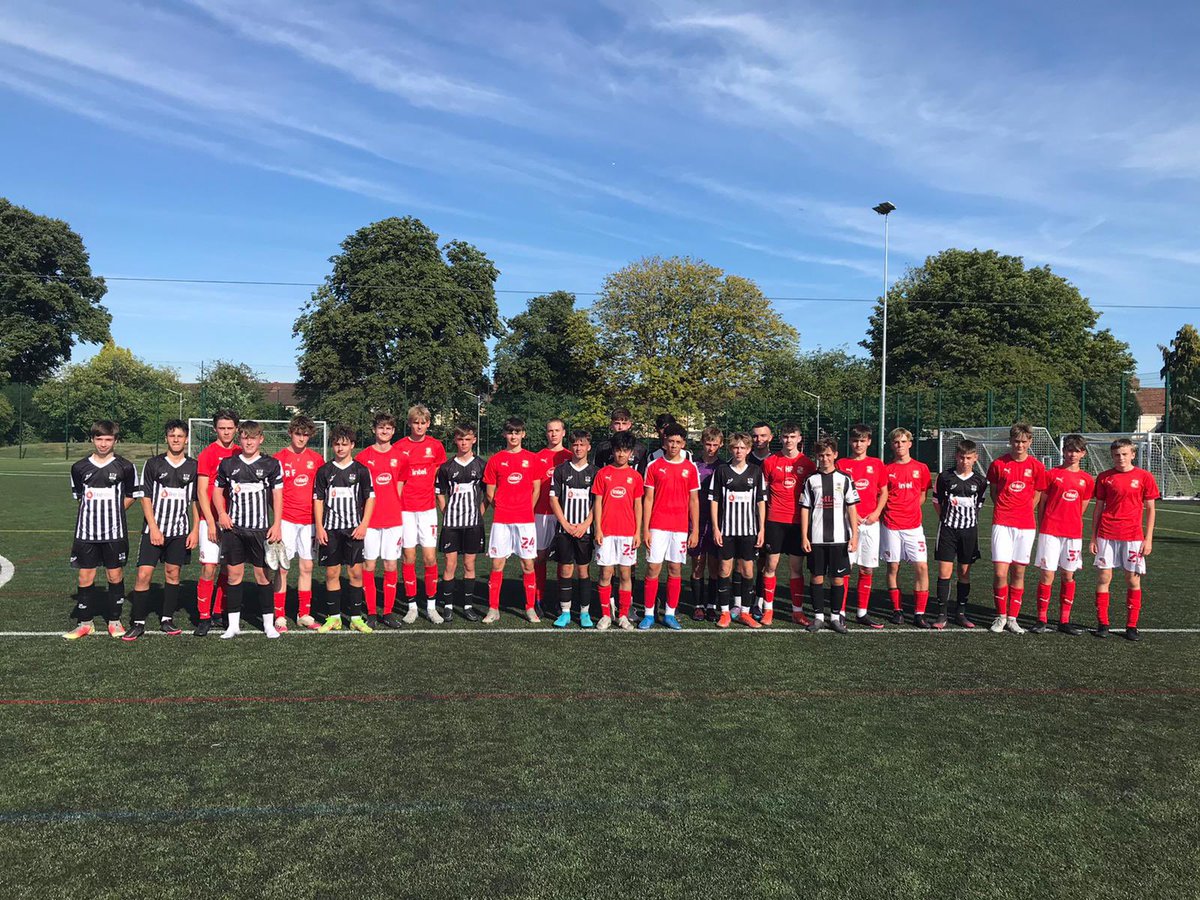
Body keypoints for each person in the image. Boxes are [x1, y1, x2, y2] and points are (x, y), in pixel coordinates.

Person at [63, 420, 141, 640]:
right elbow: (79, 497)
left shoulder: (125, 466)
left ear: (115, 440)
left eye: (108, 439)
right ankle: (85, 623)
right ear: (92, 439)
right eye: (99, 439)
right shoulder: (79, 467)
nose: (103, 443)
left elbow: (130, 496)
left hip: (114, 532)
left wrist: (113, 513)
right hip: (86, 532)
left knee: (114, 574)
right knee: (84, 576)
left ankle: (115, 621)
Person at [124, 420, 198, 641]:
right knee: (144, 574)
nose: (176, 439)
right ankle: (138, 622)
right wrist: (153, 527)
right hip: (154, 531)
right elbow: (145, 497)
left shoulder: (193, 466)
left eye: (180, 436)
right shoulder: (153, 464)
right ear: (166, 438)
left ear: (186, 439)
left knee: (173, 574)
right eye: (172, 435)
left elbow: (195, 501)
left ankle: (167, 619)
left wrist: (194, 530)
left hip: (180, 531)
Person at [212, 421, 284, 639]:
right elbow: (217, 491)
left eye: (253, 437)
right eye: (245, 437)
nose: (249, 441)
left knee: (263, 576)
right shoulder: (227, 464)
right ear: (239, 439)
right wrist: (222, 514)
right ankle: (233, 625)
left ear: (260, 439)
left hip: (260, 530)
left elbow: (277, 495)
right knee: (234, 575)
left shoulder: (272, 464)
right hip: (234, 529)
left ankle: (268, 625)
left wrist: (277, 523)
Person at [1091, 438, 1159, 641]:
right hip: (1106, 535)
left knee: (1132, 580)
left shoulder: (1144, 477)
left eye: (1124, 454)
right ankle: (1103, 623)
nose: (1120, 458)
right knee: (1104, 578)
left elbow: (1151, 510)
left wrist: (1148, 539)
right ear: (1112, 456)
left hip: (1132, 537)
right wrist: (1093, 537)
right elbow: (1097, 509)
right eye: (1116, 455)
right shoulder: (1104, 477)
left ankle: (1131, 626)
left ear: (1133, 455)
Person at [314, 425, 376, 634]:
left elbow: (370, 498)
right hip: (330, 530)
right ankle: (334, 618)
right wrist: (320, 527)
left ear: (352, 445)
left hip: (353, 530)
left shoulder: (361, 470)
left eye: (344, 444)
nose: (340, 448)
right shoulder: (324, 470)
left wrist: (364, 524)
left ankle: (356, 618)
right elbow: (318, 500)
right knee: (332, 573)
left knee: (356, 572)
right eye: (337, 444)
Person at [1032, 434, 1094, 635]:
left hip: (1073, 534)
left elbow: (1082, 507)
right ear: (1063, 451)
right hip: (1050, 531)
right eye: (1069, 450)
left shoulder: (1087, 479)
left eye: (1077, 451)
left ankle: (1064, 620)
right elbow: (1042, 503)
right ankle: (1041, 618)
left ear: (1083, 453)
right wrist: (1043, 527)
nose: (1072, 454)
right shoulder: (1051, 475)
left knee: (1068, 575)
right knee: (1047, 574)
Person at [987, 422, 1046, 635]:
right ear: (1010, 441)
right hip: (1002, 523)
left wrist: (1023, 511)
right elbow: (994, 492)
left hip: (1026, 526)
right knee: (1000, 572)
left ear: (1029, 442)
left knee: (1019, 571)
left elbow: (1038, 494)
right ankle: (1000, 616)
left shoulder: (1037, 467)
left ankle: (1013, 618)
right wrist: (1006, 509)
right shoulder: (998, 464)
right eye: (1016, 441)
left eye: (1023, 441)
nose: (1019, 445)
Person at [640, 423, 700, 630]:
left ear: (683, 444)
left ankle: (670, 614)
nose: (674, 445)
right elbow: (647, 500)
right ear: (664, 443)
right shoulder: (653, 466)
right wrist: (645, 529)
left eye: (678, 442)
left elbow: (694, 501)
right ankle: (648, 614)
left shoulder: (690, 468)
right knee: (653, 568)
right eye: (670, 441)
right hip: (658, 525)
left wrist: (695, 529)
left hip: (680, 527)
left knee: (675, 569)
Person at [482, 418, 542, 623]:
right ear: (505, 435)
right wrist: (504, 507)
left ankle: (530, 607)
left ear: (523, 434)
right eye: (510, 433)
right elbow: (490, 493)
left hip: (525, 521)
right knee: (497, 564)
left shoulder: (532, 459)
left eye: (517, 433)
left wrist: (526, 508)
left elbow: (537, 489)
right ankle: (493, 608)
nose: (514, 436)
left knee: (528, 564)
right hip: (502, 521)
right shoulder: (496, 459)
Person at [799, 437, 860, 634]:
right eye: (821, 455)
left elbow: (852, 509)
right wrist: (804, 536)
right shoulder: (810, 480)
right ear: (816, 457)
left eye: (828, 454)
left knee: (837, 579)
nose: (824, 458)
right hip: (816, 538)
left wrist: (854, 536)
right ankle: (818, 617)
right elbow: (805, 509)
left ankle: (835, 617)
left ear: (835, 455)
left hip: (839, 538)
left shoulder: (845, 479)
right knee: (816, 577)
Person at [394, 404, 447, 624]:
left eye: (423, 422)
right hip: (405, 510)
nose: (419, 426)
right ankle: (412, 606)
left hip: (427, 510)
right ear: (409, 423)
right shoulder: (399, 447)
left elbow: (436, 476)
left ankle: (432, 606)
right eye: (415, 422)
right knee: (409, 557)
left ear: (428, 424)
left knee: (429, 557)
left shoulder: (436, 446)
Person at [708, 432, 767, 629]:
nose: (739, 451)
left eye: (743, 447)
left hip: (749, 530)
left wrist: (761, 529)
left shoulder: (756, 472)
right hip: (727, 530)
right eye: (735, 447)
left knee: (748, 570)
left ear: (749, 450)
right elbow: (714, 501)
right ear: (731, 449)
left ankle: (745, 612)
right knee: (725, 569)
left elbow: (761, 502)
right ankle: (725, 612)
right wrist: (716, 528)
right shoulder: (722, 470)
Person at [270, 415, 323, 632]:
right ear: (291, 433)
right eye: (298, 434)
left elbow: (321, 493)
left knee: (307, 566)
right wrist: (277, 522)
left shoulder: (317, 459)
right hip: (287, 521)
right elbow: (271, 493)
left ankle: (304, 614)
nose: (301, 438)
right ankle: (280, 616)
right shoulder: (278, 458)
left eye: (306, 434)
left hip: (309, 521)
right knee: (283, 567)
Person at [760, 422, 815, 626]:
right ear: (780, 439)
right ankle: (768, 610)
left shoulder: (808, 464)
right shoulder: (770, 462)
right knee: (770, 565)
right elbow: (762, 497)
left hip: (797, 523)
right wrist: (763, 525)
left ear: (800, 438)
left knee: (796, 568)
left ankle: (797, 612)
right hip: (775, 521)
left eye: (793, 437)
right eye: (785, 437)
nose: (789, 440)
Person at [931, 440, 988, 629]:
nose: (965, 461)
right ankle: (942, 615)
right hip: (948, 530)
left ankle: (961, 613)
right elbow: (937, 502)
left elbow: (978, 505)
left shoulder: (980, 481)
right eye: (962, 457)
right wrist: (946, 519)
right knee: (944, 572)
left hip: (969, 532)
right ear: (956, 457)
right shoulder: (945, 477)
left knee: (964, 573)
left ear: (975, 458)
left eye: (969, 458)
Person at [356, 413, 405, 629]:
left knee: (390, 564)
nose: (384, 432)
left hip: (393, 519)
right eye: (380, 428)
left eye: (388, 428)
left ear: (393, 431)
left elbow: (399, 487)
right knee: (369, 564)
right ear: (374, 430)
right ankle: (372, 612)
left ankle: (388, 611)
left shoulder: (401, 456)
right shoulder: (363, 457)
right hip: (371, 521)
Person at [836, 424, 887, 628]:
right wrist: (850, 515)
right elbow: (836, 493)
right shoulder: (841, 464)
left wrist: (876, 513)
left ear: (869, 442)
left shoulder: (877, 464)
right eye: (855, 440)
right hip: (848, 523)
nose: (858, 444)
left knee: (867, 569)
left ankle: (861, 612)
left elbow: (883, 491)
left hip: (871, 523)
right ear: (850, 442)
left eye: (862, 440)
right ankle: (839, 611)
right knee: (845, 569)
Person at [194, 409, 240, 636]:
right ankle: (203, 616)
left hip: (237, 522)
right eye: (222, 428)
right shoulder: (208, 453)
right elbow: (202, 491)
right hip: (210, 520)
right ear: (215, 429)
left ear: (237, 429)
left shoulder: (242, 452)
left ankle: (219, 611)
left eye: (230, 428)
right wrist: (211, 522)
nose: (226, 432)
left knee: (229, 569)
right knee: (209, 567)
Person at [435, 424, 487, 623]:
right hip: (452, 524)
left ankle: (467, 606)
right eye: (460, 439)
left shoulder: (481, 465)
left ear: (474, 440)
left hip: (473, 524)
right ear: (455, 441)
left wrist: (480, 513)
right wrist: (446, 511)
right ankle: (447, 606)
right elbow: (439, 492)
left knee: (469, 563)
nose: (464, 443)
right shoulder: (447, 467)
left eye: (467, 439)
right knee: (450, 564)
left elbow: (488, 495)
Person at [592, 431, 644, 631]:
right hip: (606, 532)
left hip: (627, 533)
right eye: (618, 450)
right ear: (613, 451)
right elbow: (597, 503)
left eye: (625, 451)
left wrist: (637, 532)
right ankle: (606, 614)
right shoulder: (603, 474)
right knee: (605, 573)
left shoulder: (635, 476)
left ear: (630, 452)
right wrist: (598, 528)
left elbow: (638, 505)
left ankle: (623, 615)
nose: (621, 455)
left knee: (625, 574)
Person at [548, 429, 598, 628]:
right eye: (575, 444)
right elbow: (553, 499)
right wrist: (566, 525)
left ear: (588, 447)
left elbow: (598, 503)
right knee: (566, 569)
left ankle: (584, 613)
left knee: (583, 571)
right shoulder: (561, 470)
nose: (578, 448)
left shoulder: (595, 472)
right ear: (571, 447)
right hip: (565, 530)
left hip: (584, 531)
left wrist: (585, 524)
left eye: (582, 444)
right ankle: (566, 612)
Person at [881, 428, 931, 625]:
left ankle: (919, 613)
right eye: (896, 442)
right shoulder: (886, 469)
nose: (899, 445)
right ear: (892, 445)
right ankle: (897, 610)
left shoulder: (922, 468)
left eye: (903, 441)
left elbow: (923, 495)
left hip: (913, 526)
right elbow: (883, 496)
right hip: (891, 525)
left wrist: (908, 509)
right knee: (893, 567)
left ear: (910, 443)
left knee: (922, 567)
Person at [532, 418, 571, 617]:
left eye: (557, 430)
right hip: (541, 513)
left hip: (565, 515)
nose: (553, 434)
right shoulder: (537, 457)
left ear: (564, 432)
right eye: (550, 431)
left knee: (563, 559)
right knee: (540, 557)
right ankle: (538, 599)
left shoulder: (571, 456)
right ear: (546, 433)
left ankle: (560, 601)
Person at [689, 427, 724, 622]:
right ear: (702, 443)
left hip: (717, 522)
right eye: (708, 444)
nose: (711, 448)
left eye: (715, 445)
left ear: (721, 445)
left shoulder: (723, 467)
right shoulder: (693, 466)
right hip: (697, 520)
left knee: (714, 565)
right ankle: (697, 605)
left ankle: (711, 605)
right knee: (698, 564)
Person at [593, 407, 649, 472]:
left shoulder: (640, 448)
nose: (620, 427)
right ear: (611, 424)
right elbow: (598, 471)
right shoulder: (603, 447)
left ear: (629, 424)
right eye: (617, 423)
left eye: (624, 423)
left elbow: (641, 475)